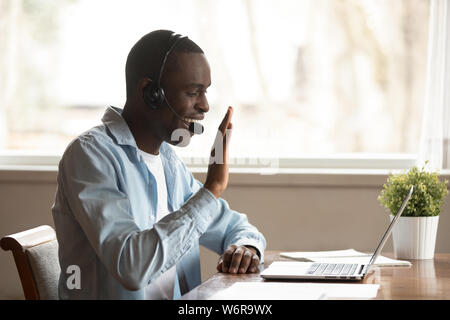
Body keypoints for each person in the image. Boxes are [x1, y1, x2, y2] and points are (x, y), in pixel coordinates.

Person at [51, 29, 266, 300]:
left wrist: (246, 248)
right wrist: (211, 189)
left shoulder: (169, 164)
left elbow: (236, 227)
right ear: (149, 92)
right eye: (193, 92)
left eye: (205, 92)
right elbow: (131, 267)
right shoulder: (89, 157)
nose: (205, 106)